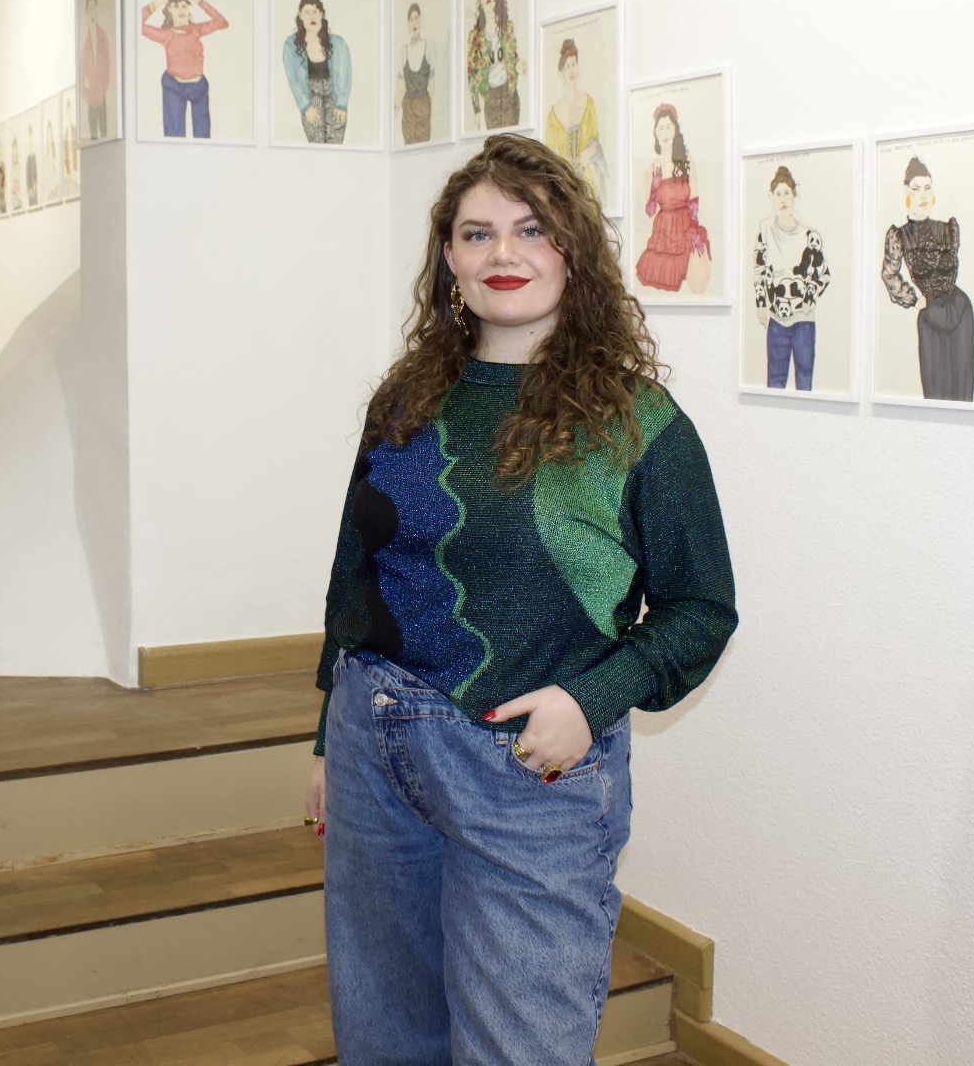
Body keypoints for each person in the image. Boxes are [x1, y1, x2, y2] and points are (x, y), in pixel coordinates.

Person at [305, 132, 737, 1066]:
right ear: (449, 259)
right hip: (372, 745)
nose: (503, 253)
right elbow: (354, 575)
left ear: (573, 250)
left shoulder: (636, 423)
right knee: (385, 1039)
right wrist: (326, 740)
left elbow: (703, 608)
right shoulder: (405, 399)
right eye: (478, 233)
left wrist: (591, 699)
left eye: (531, 229)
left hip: (525, 769)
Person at [880, 156, 974, 400]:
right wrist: (913, 299)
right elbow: (889, 273)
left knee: (963, 389)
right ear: (906, 190)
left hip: (960, 310)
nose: (923, 196)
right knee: (935, 390)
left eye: (927, 188)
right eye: (916, 189)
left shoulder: (948, 228)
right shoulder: (900, 235)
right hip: (930, 314)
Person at [753, 165, 831, 390]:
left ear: (794, 194)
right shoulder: (765, 229)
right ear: (771, 196)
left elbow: (824, 275)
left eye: (787, 193)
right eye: (778, 194)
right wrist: (761, 305)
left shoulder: (810, 236)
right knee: (775, 382)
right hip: (776, 320)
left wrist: (808, 300)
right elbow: (759, 270)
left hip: (803, 321)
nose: (783, 199)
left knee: (804, 382)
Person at [632, 104, 709, 295]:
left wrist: (694, 230)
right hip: (663, 232)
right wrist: (654, 187)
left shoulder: (687, 160)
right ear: (655, 133)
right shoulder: (652, 168)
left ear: (675, 130)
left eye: (668, 127)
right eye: (661, 128)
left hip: (686, 227)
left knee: (697, 285)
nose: (665, 132)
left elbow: (694, 198)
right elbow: (650, 212)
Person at [141, 0, 229, 139]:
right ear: (169, 9)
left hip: (198, 88)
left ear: (189, 8)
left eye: (184, 6)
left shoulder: (196, 30)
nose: (181, 10)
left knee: (203, 138)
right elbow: (133, 24)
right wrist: (159, 1)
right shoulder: (166, 34)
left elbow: (222, 22)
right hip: (174, 87)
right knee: (174, 138)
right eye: (175, 6)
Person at [281, 0, 352, 145]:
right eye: (307, 12)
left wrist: (342, 104)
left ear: (322, 15)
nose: (312, 16)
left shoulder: (338, 43)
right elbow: (293, 80)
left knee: (335, 148)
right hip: (311, 104)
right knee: (316, 148)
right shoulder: (291, 45)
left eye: (315, 11)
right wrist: (306, 106)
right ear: (300, 15)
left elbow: (345, 75)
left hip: (335, 102)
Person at [543, 38, 607, 204]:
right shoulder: (553, 115)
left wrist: (587, 154)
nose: (571, 70)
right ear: (561, 71)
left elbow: (595, 142)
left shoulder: (589, 102)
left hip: (587, 182)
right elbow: (548, 156)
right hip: (564, 188)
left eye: (574, 64)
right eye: (567, 66)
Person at [465, 0, 522, 130]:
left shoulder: (507, 28)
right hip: (491, 102)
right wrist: (476, 109)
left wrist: (519, 65)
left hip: (510, 96)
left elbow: (513, 58)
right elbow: (472, 76)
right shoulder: (475, 38)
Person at [396, 1, 434, 145]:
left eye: (416, 18)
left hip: (423, 107)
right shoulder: (403, 51)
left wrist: (430, 107)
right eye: (411, 19)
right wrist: (395, 106)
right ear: (407, 24)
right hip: (408, 110)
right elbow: (400, 84)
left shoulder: (428, 46)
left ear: (420, 20)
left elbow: (432, 82)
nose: (414, 22)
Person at [80, 0, 112, 140]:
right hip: (90, 99)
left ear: (97, 8)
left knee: (104, 135)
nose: (92, 12)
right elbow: (80, 75)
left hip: (101, 96)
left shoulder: (103, 36)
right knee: (93, 138)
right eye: (89, 8)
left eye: (94, 7)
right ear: (86, 11)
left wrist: (102, 88)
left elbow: (107, 66)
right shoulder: (83, 41)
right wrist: (87, 94)